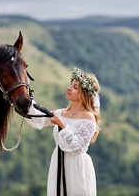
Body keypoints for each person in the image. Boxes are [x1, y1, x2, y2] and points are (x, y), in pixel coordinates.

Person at [26, 67, 101, 196]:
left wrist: (61, 124)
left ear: (84, 95)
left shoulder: (88, 116)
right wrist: (25, 100)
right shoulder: (62, 113)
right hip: (58, 165)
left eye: (75, 87)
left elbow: (78, 147)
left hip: (77, 169)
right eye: (71, 84)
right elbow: (39, 120)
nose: (69, 88)